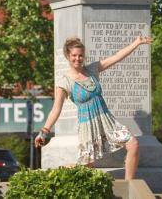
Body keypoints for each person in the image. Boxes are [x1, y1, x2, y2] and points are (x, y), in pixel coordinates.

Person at [35, 35, 152, 180]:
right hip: (88, 126)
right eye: (74, 55)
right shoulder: (64, 82)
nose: (78, 58)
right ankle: (61, 173)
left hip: (107, 121)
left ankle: (130, 186)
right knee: (85, 169)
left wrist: (137, 43)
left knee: (133, 144)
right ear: (67, 56)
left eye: (80, 55)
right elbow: (56, 109)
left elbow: (117, 57)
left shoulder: (92, 69)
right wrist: (44, 132)